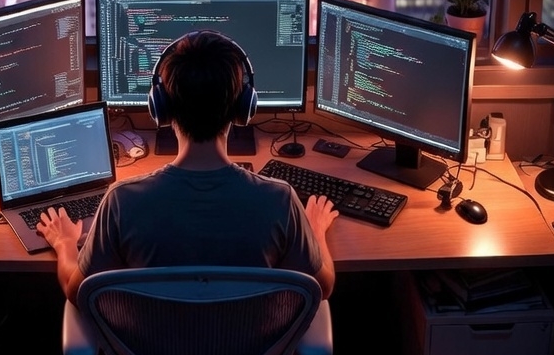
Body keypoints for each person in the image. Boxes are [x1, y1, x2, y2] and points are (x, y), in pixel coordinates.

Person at [37, 30, 337, 303]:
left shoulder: (121, 202)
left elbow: (77, 291)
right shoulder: (280, 201)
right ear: (243, 108)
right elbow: (322, 287)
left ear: (161, 108)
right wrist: (315, 231)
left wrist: (65, 243)